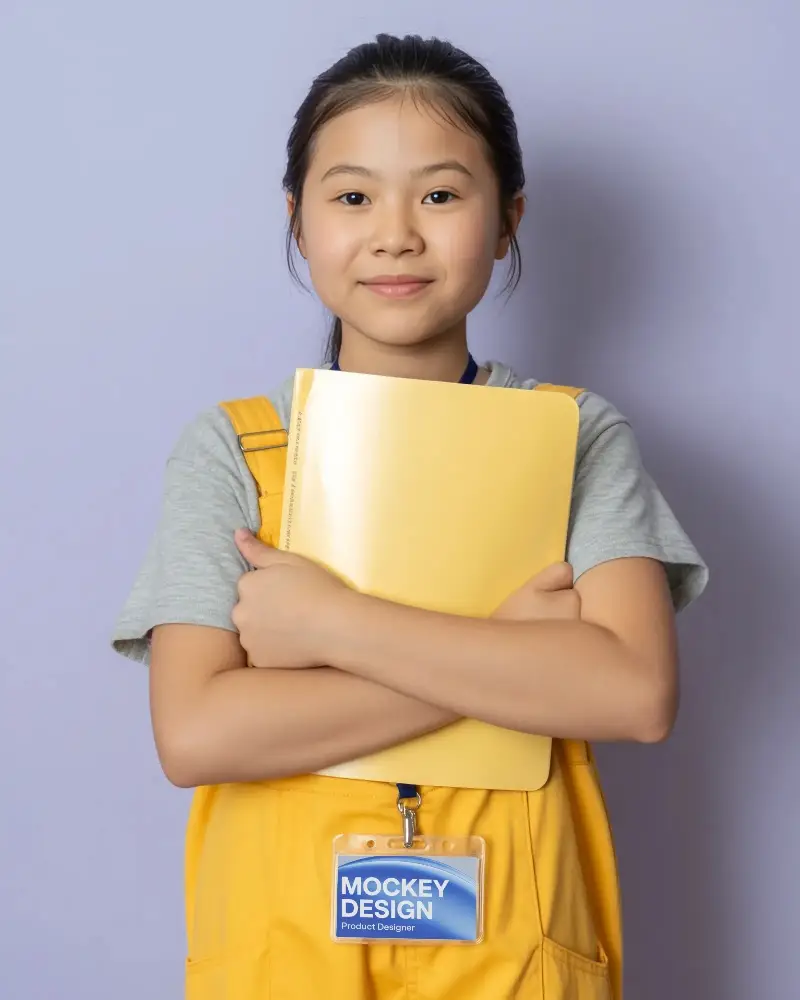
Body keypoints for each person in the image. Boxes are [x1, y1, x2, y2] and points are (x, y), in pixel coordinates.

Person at [112, 33, 708, 1000]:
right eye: (351, 197)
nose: (396, 233)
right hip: (287, 957)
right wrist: (505, 657)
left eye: (440, 194)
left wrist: (329, 627)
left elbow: (633, 692)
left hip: (515, 955)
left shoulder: (574, 436)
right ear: (298, 220)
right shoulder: (233, 450)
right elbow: (198, 734)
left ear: (508, 219)